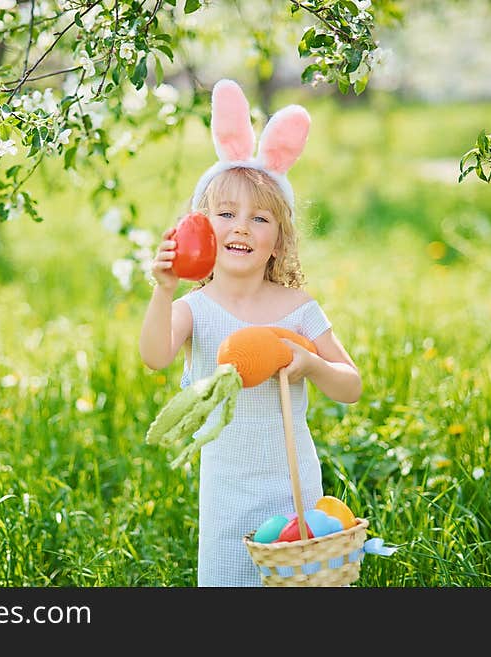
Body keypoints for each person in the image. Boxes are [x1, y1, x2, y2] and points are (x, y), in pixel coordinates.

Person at [139, 79, 362, 587]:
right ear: (201, 226)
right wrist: (163, 290)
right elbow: (155, 355)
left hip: (292, 487)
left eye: (259, 218)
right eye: (226, 214)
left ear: (279, 241)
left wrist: (310, 365)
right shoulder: (196, 308)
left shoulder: (298, 309)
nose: (241, 227)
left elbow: (351, 385)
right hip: (226, 490)